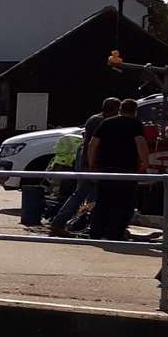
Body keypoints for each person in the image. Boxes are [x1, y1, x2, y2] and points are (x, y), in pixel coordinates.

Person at [49, 97, 119, 237]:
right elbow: (95, 145)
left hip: (87, 160)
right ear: (114, 110)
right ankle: (67, 223)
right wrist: (92, 166)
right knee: (86, 194)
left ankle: (81, 224)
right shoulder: (102, 122)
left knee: (85, 194)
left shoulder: (94, 119)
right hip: (92, 162)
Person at [86, 98, 149, 240]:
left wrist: (92, 165)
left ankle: (96, 232)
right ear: (135, 112)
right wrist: (144, 164)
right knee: (124, 204)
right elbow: (141, 144)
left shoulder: (106, 122)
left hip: (105, 168)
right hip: (126, 169)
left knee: (103, 202)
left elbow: (92, 144)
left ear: (120, 109)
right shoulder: (135, 124)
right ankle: (114, 234)